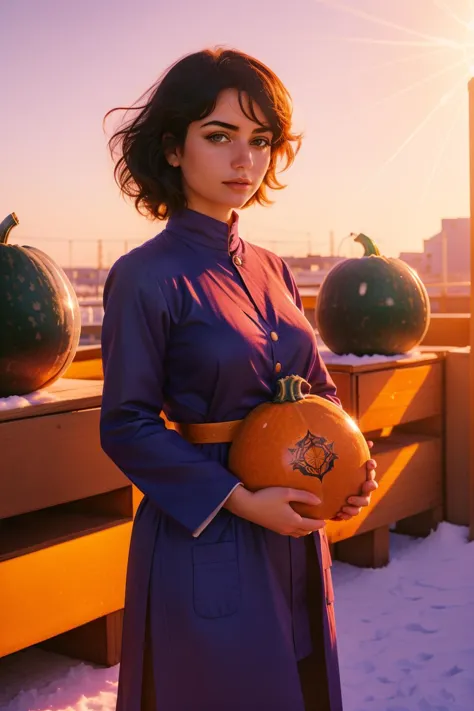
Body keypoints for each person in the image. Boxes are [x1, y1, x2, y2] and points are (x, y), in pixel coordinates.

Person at [100, 46, 378, 711]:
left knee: (300, 688)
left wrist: (352, 462)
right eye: (219, 136)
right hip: (207, 530)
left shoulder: (275, 269)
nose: (244, 160)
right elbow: (127, 423)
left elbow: (318, 388)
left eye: (259, 141)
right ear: (172, 148)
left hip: (295, 527)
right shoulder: (145, 275)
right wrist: (240, 499)